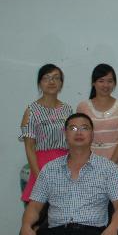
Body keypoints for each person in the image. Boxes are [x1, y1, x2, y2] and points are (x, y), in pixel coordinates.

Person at [19, 113, 118, 235]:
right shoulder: (50, 169)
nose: (79, 132)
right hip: (56, 233)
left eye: (84, 128)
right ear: (65, 134)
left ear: (92, 135)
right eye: (73, 128)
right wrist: (26, 226)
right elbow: (34, 206)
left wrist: (113, 228)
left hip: (93, 234)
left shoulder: (108, 168)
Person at [76, 63, 118, 196]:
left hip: (117, 162)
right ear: (93, 83)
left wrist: (109, 166)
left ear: (115, 83)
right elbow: (80, 138)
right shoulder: (83, 107)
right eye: (101, 81)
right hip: (91, 162)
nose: (106, 85)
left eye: (110, 81)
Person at [20, 63, 74, 203]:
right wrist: (40, 177)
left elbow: (72, 141)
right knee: (39, 213)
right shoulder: (31, 111)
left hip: (65, 166)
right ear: (39, 83)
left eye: (56, 78)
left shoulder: (68, 110)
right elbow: (29, 147)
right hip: (41, 167)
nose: (51, 81)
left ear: (61, 84)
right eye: (46, 78)